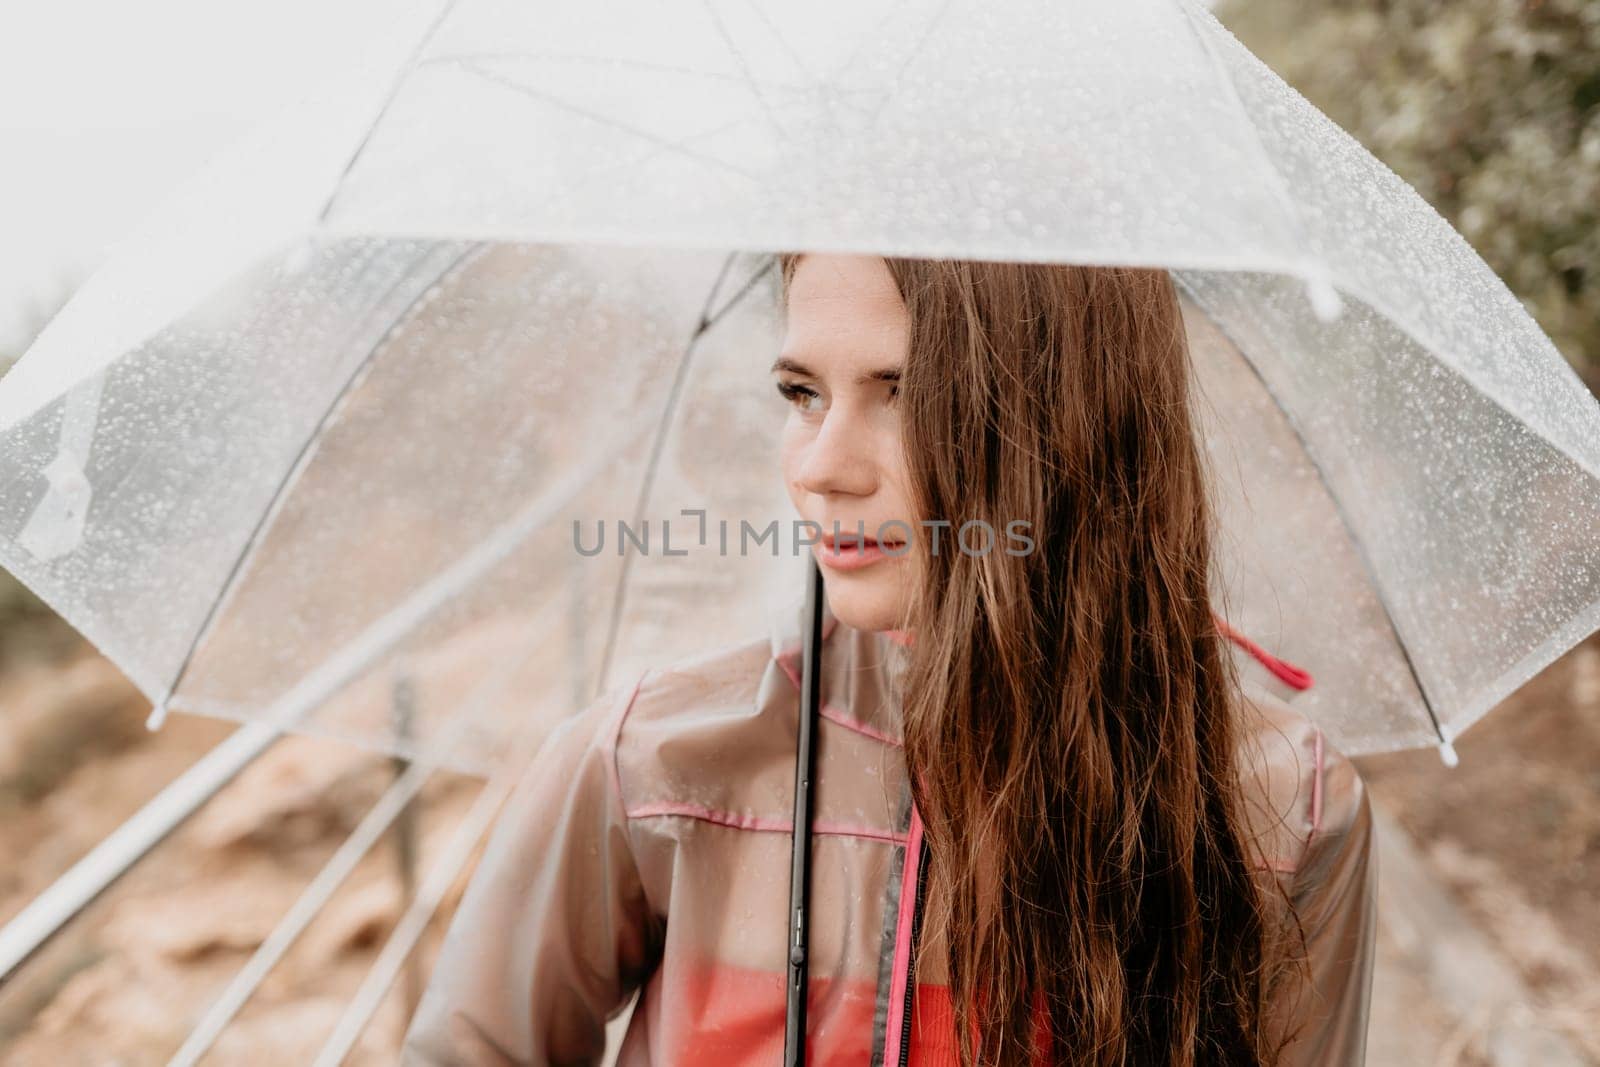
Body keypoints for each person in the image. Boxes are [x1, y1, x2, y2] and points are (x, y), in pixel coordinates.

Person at [400, 253, 1378, 1065]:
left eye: (904, 393)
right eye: (801, 392)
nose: (823, 464)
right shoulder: (652, 765)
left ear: (1070, 415)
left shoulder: (1283, 811)